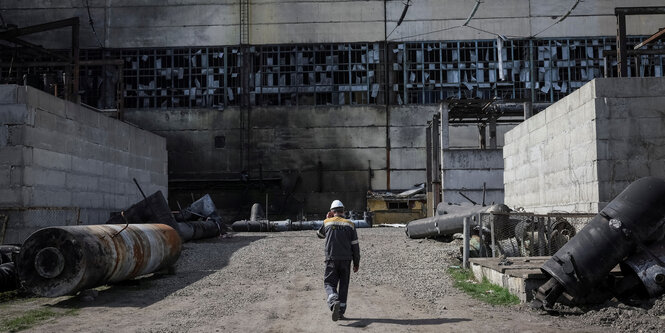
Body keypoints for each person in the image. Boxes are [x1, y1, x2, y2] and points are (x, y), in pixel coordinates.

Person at [317, 200, 360, 321]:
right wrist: (356, 262)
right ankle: (340, 312)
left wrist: (326, 219)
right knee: (344, 285)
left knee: (329, 283)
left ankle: (333, 300)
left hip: (331, 259)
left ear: (331, 212)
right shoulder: (350, 224)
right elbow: (355, 246)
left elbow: (319, 235)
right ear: (344, 211)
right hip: (346, 260)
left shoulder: (327, 222)